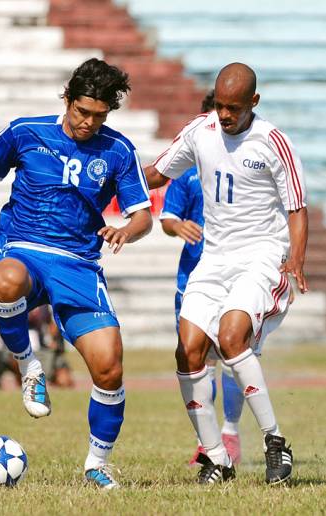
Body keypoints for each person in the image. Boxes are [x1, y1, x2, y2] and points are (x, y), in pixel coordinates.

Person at [0, 58, 153, 490]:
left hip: (78, 265)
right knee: (4, 281)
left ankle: (96, 464)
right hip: (23, 249)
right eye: (82, 112)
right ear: (67, 99)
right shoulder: (27, 132)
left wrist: (125, 231)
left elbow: (142, 217)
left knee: (110, 367)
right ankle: (29, 367)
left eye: (99, 116)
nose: (89, 123)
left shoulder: (119, 151)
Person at [145, 62, 308, 485]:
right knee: (188, 349)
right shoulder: (201, 130)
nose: (224, 115)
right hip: (213, 259)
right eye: (219, 105)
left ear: (253, 102)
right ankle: (217, 458)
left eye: (233, 107)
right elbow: (157, 173)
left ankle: (275, 443)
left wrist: (296, 260)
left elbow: (297, 207)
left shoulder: (273, 142)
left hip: (261, 257)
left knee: (233, 335)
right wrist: (109, 172)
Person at [160, 90, 245, 466]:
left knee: (233, 354)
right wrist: (178, 226)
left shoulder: (250, 165)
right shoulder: (188, 170)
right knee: (197, 359)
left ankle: (231, 431)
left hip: (238, 274)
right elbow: (166, 218)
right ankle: (206, 441)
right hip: (193, 275)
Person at [0, 305, 74, 389]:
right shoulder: (13, 302)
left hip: (42, 351)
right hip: (17, 350)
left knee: (65, 381)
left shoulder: (43, 305)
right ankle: (26, 387)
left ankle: (42, 388)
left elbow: (50, 324)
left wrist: (53, 339)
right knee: (18, 362)